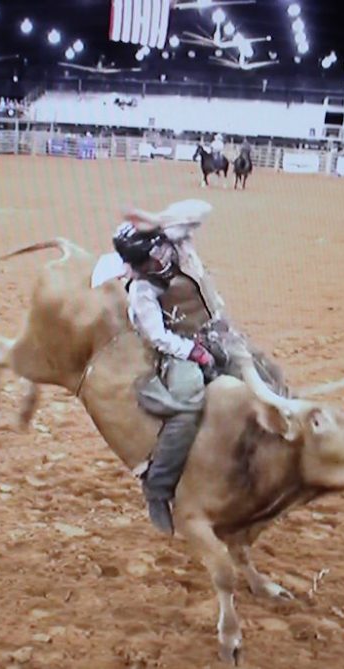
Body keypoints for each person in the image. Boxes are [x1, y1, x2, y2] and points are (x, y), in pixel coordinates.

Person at [112, 200, 226, 535]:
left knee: (266, 377)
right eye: (148, 261)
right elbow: (157, 337)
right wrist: (195, 353)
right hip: (178, 346)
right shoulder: (142, 290)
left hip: (216, 328)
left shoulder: (173, 237)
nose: (159, 261)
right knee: (188, 402)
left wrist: (157, 219)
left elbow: (203, 207)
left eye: (158, 252)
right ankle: (158, 486)